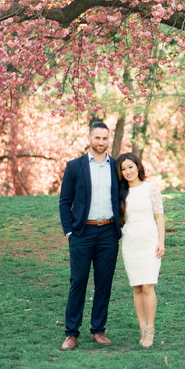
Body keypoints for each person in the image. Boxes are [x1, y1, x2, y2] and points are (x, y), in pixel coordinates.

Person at [58, 122, 122, 351]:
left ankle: (98, 330)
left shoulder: (116, 167)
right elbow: (65, 202)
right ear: (89, 138)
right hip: (82, 233)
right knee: (78, 282)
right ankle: (71, 333)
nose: (101, 142)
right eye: (97, 138)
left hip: (108, 232)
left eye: (105, 138)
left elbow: (122, 198)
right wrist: (69, 230)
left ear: (108, 139)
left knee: (104, 283)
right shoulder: (75, 167)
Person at [116, 152, 165, 348]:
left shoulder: (150, 189)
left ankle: (151, 328)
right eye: (123, 169)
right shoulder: (121, 193)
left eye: (130, 166)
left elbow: (159, 217)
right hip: (130, 242)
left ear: (138, 166)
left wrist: (161, 241)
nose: (128, 171)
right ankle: (142, 328)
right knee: (137, 287)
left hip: (149, 240)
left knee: (148, 286)